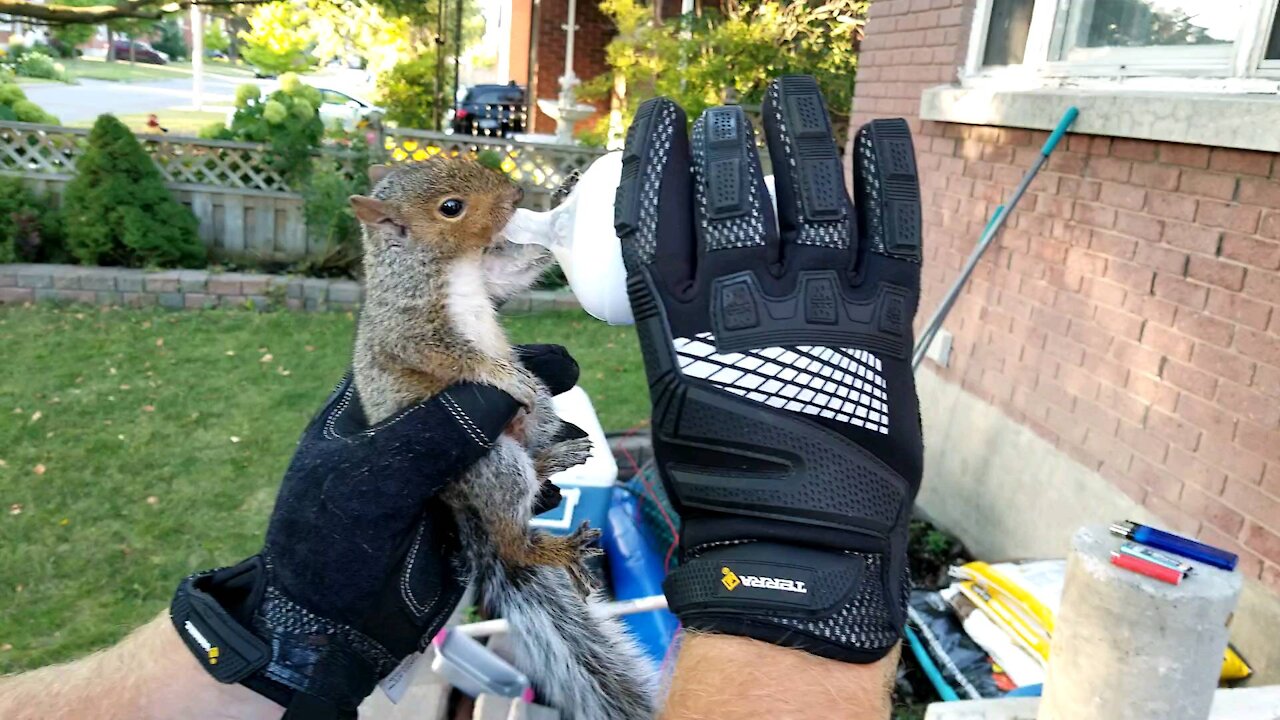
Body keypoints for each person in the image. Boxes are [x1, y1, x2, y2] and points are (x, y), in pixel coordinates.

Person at [0, 75, 921, 720]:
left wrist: (276, 631)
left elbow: (503, 281)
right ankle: (524, 540)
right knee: (495, 475)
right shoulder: (409, 297)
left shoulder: (460, 265)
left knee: (514, 453)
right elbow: (434, 345)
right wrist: (799, 581)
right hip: (458, 421)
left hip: (461, 443)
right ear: (399, 229)